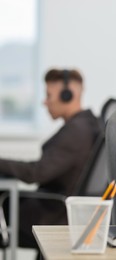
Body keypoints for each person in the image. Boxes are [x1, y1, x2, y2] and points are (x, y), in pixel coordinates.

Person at [0, 68, 101, 248]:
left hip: (52, 215)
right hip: (57, 209)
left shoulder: (76, 131)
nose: (45, 102)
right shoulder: (86, 124)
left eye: (49, 95)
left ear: (67, 95)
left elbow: (35, 173)